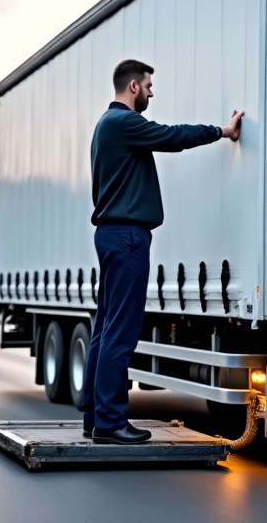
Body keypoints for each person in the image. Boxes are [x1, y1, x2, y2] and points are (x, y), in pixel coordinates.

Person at [81, 59, 243, 444]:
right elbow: (172, 136)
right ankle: (110, 423)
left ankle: (94, 415)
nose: (153, 92)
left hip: (112, 235)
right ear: (134, 86)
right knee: (120, 332)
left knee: (105, 330)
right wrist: (221, 131)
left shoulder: (105, 126)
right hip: (127, 238)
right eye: (149, 86)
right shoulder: (123, 122)